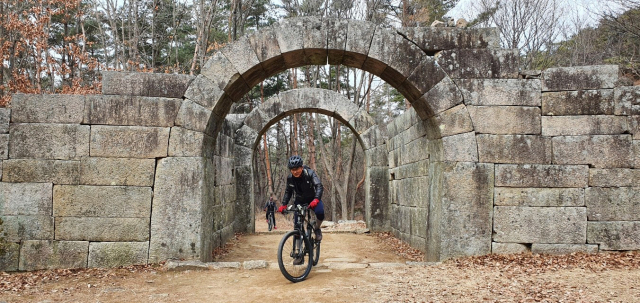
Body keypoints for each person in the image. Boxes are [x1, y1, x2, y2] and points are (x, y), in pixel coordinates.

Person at [277, 155, 325, 241]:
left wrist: (316, 199)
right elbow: (288, 192)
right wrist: (284, 204)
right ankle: (298, 248)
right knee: (297, 226)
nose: (295, 172)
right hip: (300, 201)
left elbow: (319, 186)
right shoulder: (290, 178)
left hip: (313, 199)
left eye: (297, 169)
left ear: (301, 168)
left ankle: (317, 228)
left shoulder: (310, 173)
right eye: (293, 170)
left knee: (320, 212)